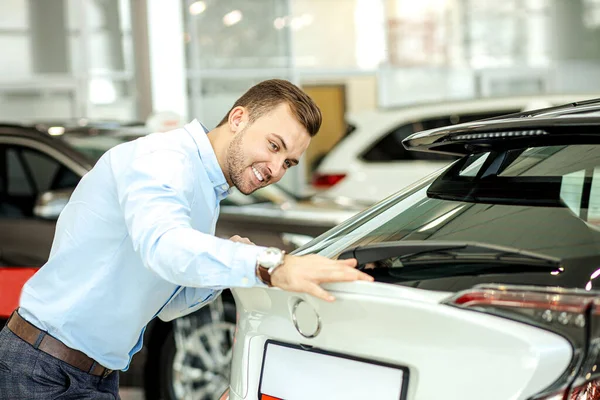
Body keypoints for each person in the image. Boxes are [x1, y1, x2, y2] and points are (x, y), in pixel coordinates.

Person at [0, 79, 373, 399]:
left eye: (289, 163)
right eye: (274, 146)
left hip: (92, 375)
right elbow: (165, 249)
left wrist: (229, 270)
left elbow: (168, 303)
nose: (276, 170)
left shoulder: (205, 187)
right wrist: (269, 265)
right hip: (43, 369)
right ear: (239, 118)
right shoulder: (164, 159)